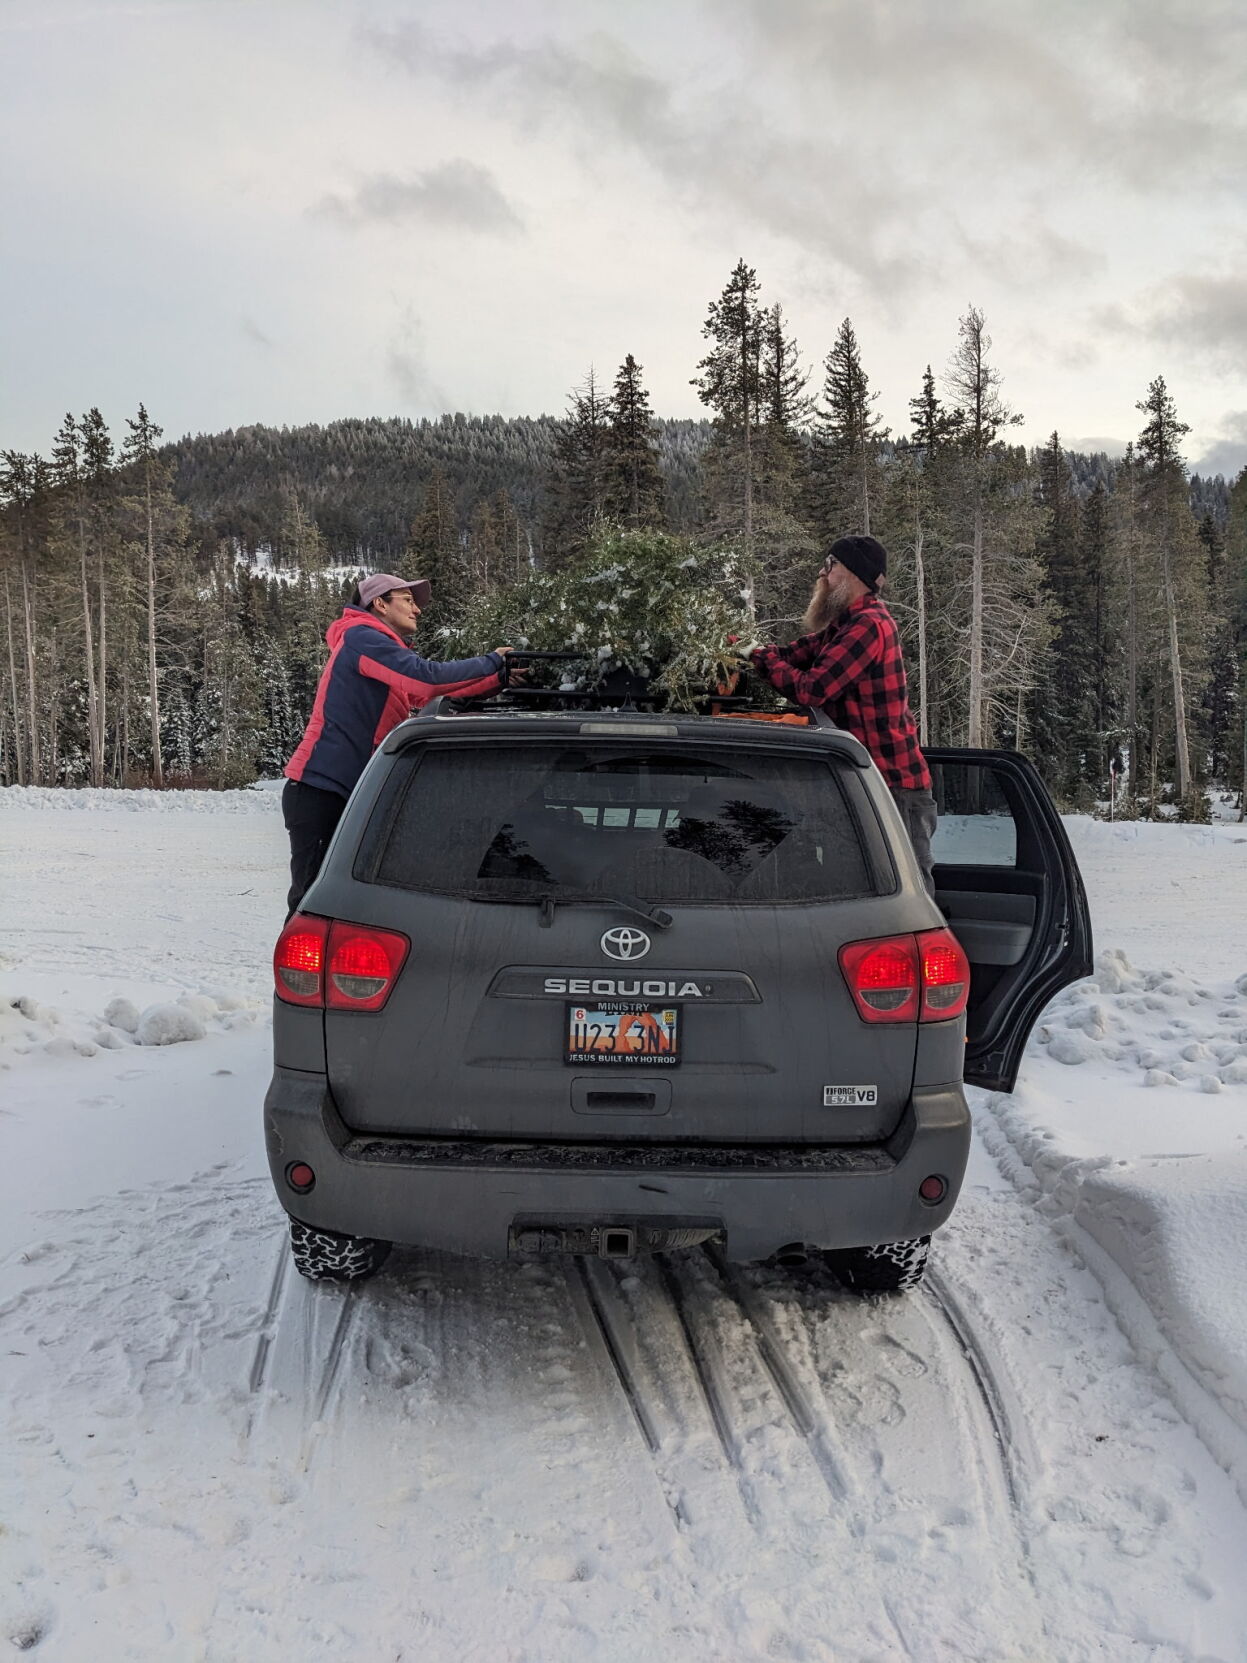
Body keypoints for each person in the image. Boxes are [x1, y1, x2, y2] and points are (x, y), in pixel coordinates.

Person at [282, 572, 515, 918]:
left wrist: (498, 678)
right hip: (321, 789)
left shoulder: (379, 649)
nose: (416, 609)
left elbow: (423, 695)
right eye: (407, 600)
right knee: (313, 904)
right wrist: (491, 661)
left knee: (346, 905)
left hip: (347, 791)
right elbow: (425, 679)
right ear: (379, 603)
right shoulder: (362, 637)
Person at [748, 535, 938, 895]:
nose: (822, 573)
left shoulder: (869, 626)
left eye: (830, 564)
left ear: (852, 574)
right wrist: (750, 652)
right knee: (864, 886)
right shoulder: (843, 626)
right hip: (863, 782)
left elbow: (813, 689)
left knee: (908, 889)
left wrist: (761, 658)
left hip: (893, 787)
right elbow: (792, 654)